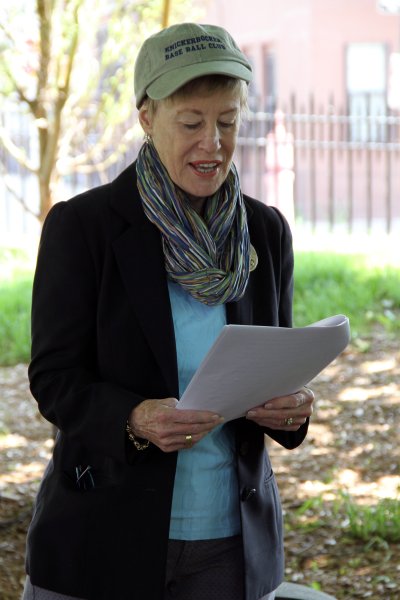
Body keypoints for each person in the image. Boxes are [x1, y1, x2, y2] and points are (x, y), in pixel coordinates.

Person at [22, 22, 314, 600]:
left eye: (227, 122)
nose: (213, 143)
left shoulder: (265, 230)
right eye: (191, 123)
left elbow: (277, 368)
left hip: (230, 543)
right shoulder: (83, 227)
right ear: (146, 118)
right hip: (102, 537)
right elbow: (54, 379)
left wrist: (291, 408)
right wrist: (134, 418)